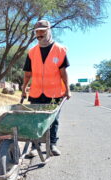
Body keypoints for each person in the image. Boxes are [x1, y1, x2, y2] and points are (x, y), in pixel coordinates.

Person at [21, 20, 71, 156]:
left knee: (53, 119)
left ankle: (52, 144)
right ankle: (34, 146)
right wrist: (24, 88)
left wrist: (67, 89)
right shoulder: (32, 52)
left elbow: (63, 72)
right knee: (35, 119)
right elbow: (27, 73)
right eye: (37, 31)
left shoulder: (60, 50)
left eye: (42, 31)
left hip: (55, 93)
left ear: (49, 30)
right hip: (36, 92)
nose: (39, 34)